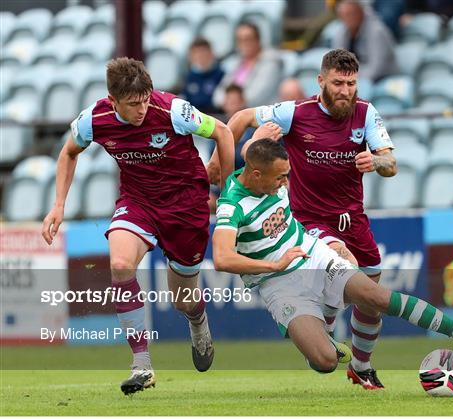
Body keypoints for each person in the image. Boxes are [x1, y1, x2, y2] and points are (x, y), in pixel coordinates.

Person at [213, 138, 453, 378]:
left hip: (312, 254)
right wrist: (274, 264)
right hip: (277, 281)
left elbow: (234, 130)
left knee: (377, 297)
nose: (285, 182)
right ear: (255, 175)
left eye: (286, 174)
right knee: (325, 362)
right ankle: (324, 337)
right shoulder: (232, 206)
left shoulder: (264, 166)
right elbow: (222, 259)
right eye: (279, 177)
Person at [41, 57, 235, 395]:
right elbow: (68, 153)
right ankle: (142, 364)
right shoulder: (94, 119)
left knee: (183, 301)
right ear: (113, 101)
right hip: (138, 202)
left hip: (185, 206)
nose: (142, 108)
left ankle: (197, 320)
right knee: (119, 264)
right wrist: (58, 205)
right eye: (133, 104)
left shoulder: (174, 110)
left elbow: (222, 131)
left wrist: (225, 187)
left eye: (145, 99)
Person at [224, 49, 397, 390]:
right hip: (308, 219)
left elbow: (391, 164)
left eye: (351, 83)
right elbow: (243, 116)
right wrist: (223, 164)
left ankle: (361, 365)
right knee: (341, 263)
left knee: (371, 297)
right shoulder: (294, 113)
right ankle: (320, 336)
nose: (345, 90)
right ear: (321, 81)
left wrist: (375, 163)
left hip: (352, 218)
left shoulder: (365, 113)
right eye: (338, 83)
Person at [212, 21, 282, 109]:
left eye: (248, 39)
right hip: (237, 114)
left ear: (258, 40)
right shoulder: (235, 63)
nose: (244, 44)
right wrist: (229, 102)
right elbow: (218, 95)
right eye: (240, 40)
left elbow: (258, 95)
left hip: (262, 117)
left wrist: (234, 102)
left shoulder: (271, 62)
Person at [332, 0, 398, 82]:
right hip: (355, 79)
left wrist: (352, 77)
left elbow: (377, 68)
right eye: (344, 15)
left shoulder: (377, 31)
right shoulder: (341, 32)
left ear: (361, 12)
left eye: (351, 13)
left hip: (383, 80)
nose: (349, 18)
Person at [184, 37, 224, 113]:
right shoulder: (189, 77)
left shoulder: (220, 74)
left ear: (211, 53)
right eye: (197, 52)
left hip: (215, 117)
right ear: (191, 56)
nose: (200, 55)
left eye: (203, 51)